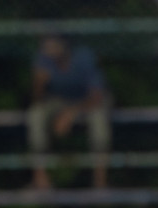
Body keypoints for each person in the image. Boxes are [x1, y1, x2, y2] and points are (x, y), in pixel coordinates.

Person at [27, 34, 111, 188]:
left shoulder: (83, 58)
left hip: (85, 102)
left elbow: (97, 96)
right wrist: (39, 83)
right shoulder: (44, 60)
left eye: (52, 46)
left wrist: (70, 114)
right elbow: (37, 99)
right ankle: (40, 176)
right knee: (35, 115)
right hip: (58, 101)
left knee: (99, 118)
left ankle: (100, 180)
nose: (49, 51)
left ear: (64, 46)